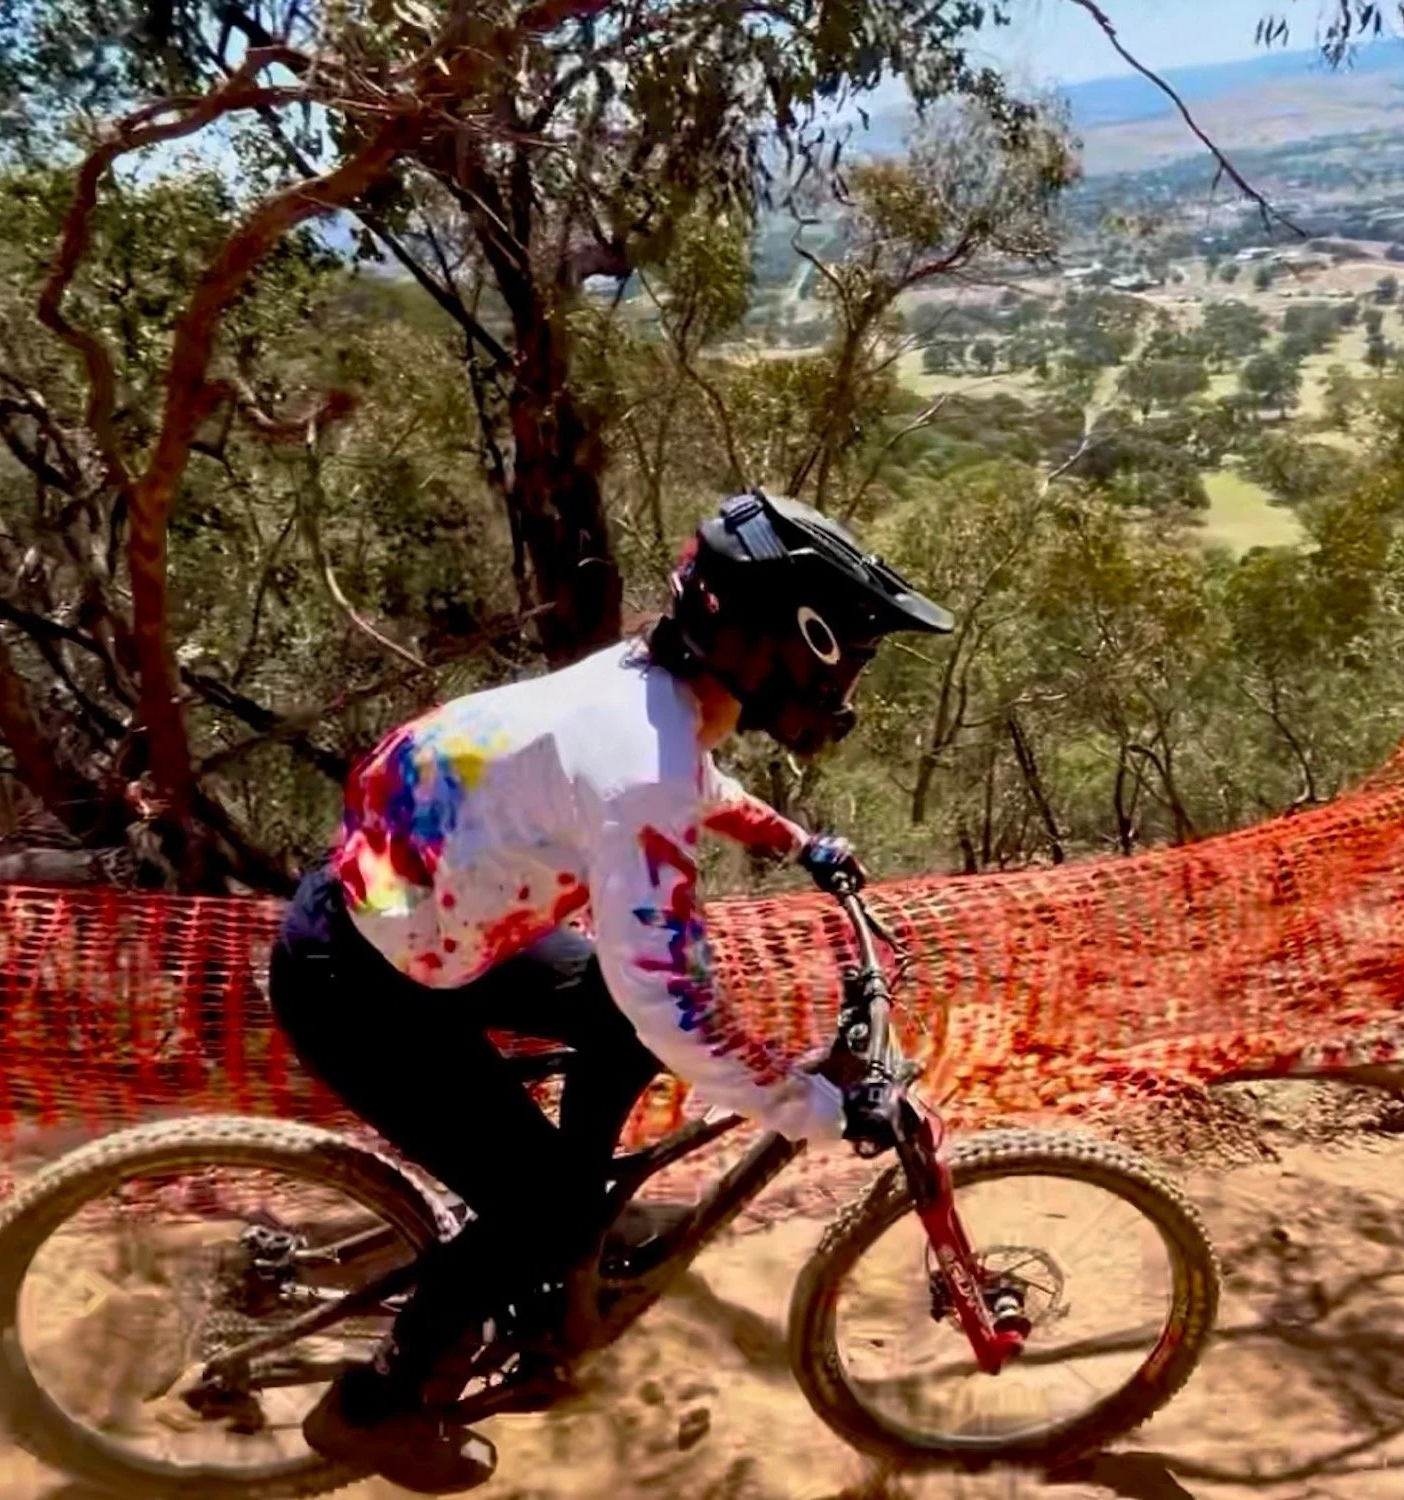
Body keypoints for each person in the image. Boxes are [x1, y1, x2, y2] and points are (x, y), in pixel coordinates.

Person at [267, 490, 954, 1491]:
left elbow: (688, 783)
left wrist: (791, 839)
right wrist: (817, 1108)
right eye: (846, 656)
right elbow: (671, 1001)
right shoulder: (643, 769)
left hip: (418, 920)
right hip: (359, 980)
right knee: (546, 1199)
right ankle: (379, 1405)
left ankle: (567, 1236)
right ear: (781, 642)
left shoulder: (649, 687)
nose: (847, 682)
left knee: (608, 1031)